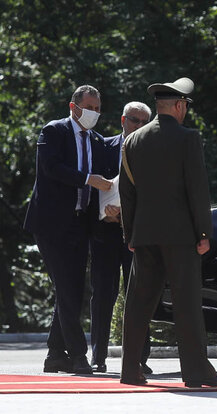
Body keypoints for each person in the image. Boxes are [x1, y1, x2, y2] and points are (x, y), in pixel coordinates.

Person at [118, 77, 217, 387]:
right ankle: (196, 372)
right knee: (187, 305)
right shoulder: (187, 138)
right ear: (180, 106)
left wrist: (129, 234)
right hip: (180, 236)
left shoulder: (133, 140)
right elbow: (197, 189)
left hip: (143, 234)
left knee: (138, 303)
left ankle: (130, 371)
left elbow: (127, 194)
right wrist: (204, 233)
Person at [23, 85, 113, 374]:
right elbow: (51, 169)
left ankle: (54, 355)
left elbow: (105, 181)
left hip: (80, 223)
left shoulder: (96, 139)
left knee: (72, 290)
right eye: (90, 107)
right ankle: (77, 355)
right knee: (66, 288)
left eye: (98, 108)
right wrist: (88, 179)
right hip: (51, 224)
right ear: (73, 107)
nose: (94, 113)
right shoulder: (54, 132)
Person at [89, 101, 152, 373]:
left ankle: (139, 357)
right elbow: (94, 186)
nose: (137, 125)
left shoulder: (153, 150)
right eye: (134, 120)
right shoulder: (103, 146)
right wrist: (107, 212)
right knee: (103, 294)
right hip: (104, 232)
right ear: (123, 120)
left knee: (139, 294)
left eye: (143, 122)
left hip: (136, 233)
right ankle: (98, 356)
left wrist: (126, 216)